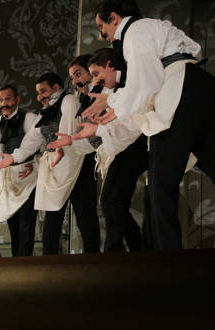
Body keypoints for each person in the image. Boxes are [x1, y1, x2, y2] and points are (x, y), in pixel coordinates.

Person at [81, 0, 214, 249]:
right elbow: (181, 55)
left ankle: (168, 259)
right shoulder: (154, 27)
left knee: (161, 183)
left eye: (101, 26)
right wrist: (113, 99)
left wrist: (115, 107)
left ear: (114, 17)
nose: (102, 34)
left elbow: (147, 80)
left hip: (179, 90)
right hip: (201, 84)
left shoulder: (135, 31)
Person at [0, 74, 100, 255]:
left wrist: (37, 161)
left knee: (84, 217)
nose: (40, 97)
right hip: (54, 169)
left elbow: (66, 134)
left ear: (56, 88)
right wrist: (12, 159)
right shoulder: (45, 112)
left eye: (43, 91)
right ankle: (48, 267)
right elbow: (31, 142)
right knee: (51, 222)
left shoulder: (68, 100)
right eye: (38, 93)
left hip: (76, 166)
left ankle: (94, 262)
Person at [49, 48, 144, 252]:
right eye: (73, 78)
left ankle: (115, 252)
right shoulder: (90, 99)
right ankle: (137, 250)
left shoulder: (108, 90)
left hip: (132, 144)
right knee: (115, 203)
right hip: (114, 149)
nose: (76, 82)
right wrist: (70, 141)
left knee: (111, 200)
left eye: (79, 74)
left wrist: (77, 138)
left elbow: (118, 124)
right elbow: (92, 140)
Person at [0, 84, 39, 257]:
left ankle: (25, 262)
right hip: (10, 177)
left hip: (29, 176)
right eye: (0, 100)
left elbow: (41, 144)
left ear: (17, 99)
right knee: (13, 221)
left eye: (8, 99)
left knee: (26, 221)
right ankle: (16, 262)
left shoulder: (29, 118)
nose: (3, 103)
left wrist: (35, 163)